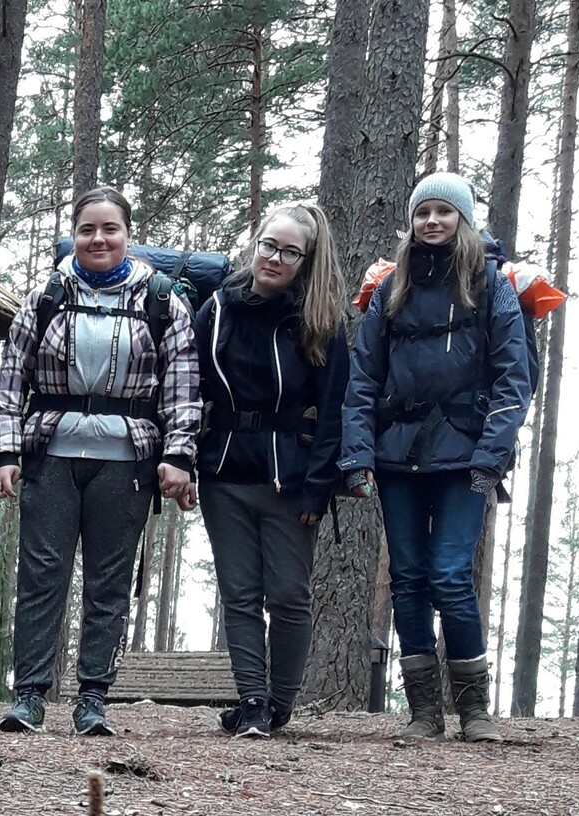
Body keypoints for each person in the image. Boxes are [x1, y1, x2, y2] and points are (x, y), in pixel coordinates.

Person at [0, 185, 200, 738]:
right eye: (87, 229)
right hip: (50, 454)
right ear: (74, 235)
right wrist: (5, 452)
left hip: (126, 461)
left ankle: (92, 699)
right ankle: (29, 695)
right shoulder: (45, 297)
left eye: (110, 229)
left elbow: (182, 389)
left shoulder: (162, 302)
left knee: (109, 581)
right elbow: (10, 383)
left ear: (128, 235)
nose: (98, 239)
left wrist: (178, 456)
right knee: (41, 577)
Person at [341, 173, 531, 743]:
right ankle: (424, 712)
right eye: (422, 212)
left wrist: (492, 457)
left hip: (466, 459)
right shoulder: (390, 288)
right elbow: (362, 380)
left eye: (444, 212)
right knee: (407, 578)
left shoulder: (492, 284)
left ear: (463, 219)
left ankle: (475, 712)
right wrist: (358, 457)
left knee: (449, 575)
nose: (432, 221)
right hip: (396, 457)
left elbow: (513, 378)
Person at [193, 202, 351, 738]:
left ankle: (279, 704)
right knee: (238, 594)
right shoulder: (217, 308)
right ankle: (253, 702)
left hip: (291, 480)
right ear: (255, 243)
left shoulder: (319, 321)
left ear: (305, 260)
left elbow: (335, 411)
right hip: (223, 473)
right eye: (269, 245)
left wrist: (319, 487)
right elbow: (187, 387)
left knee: (288, 595)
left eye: (289, 252)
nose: (275, 258)